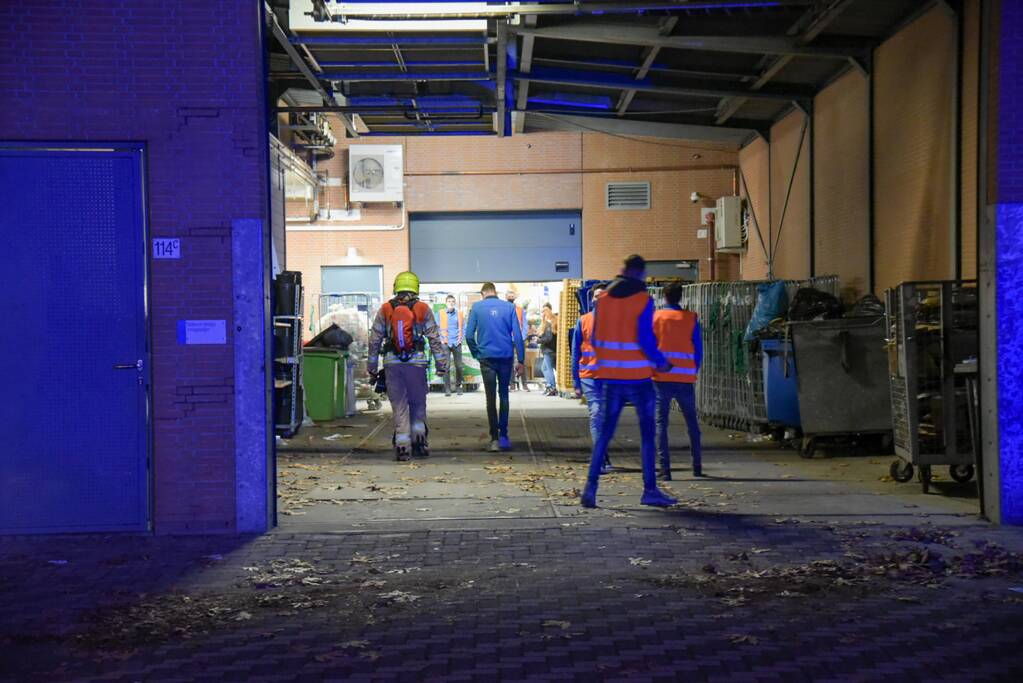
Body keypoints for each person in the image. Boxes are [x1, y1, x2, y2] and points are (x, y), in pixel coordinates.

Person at [580, 255, 677, 509]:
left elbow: (597, 339)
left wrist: (606, 365)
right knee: (647, 434)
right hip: (638, 378)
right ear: (638, 273)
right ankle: (650, 490)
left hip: (610, 378)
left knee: (603, 435)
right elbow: (645, 339)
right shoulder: (643, 300)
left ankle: (590, 489)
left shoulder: (602, 300)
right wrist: (661, 363)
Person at [367, 271, 447, 462]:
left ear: (396, 287)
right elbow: (434, 339)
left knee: (400, 407)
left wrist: (371, 366)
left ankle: (403, 448)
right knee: (418, 405)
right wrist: (441, 364)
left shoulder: (385, 309)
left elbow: (374, 340)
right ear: (415, 288)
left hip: (392, 364)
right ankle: (420, 444)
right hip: (417, 364)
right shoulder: (423, 309)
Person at [466, 282, 526, 452]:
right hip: (505, 357)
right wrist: (520, 360)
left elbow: (469, 335)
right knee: (504, 395)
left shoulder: (477, 308)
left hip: (486, 358)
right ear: (495, 292)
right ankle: (504, 436)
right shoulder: (508, 307)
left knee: (490, 398)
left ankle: (494, 439)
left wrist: (477, 353)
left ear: (483, 293)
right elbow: (518, 335)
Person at [653, 283, 703, 478]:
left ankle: (665, 469)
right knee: (692, 423)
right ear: (681, 296)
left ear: (664, 296)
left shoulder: (655, 318)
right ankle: (697, 466)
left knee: (660, 424)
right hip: (685, 379)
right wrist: (692, 369)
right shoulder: (691, 318)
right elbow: (698, 350)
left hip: (661, 378)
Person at [572, 283, 613, 474]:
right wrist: (575, 381)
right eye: (596, 295)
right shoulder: (584, 321)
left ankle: (604, 455)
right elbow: (575, 352)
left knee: (603, 418)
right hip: (588, 375)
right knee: (596, 414)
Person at [439, 294, 465, 397]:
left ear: (455, 303)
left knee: (459, 366)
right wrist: (441, 339)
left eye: (452, 301)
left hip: (456, 342)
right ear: (446, 303)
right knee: (447, 367)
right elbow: (436, 327)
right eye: (449, 301)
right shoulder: (441, 313)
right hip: (445, 342)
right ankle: (447, 388)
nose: (451, 303)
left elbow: (463, 327)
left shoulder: (459, 314)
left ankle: (458, 386)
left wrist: (460, 339)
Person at [505, 290, 529, 392]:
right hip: (508, 339)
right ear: (506, 297)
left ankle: (524, 384)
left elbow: (525, 324)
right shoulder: (504, 309)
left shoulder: (520, 309)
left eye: (512, 295)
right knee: (509, 362)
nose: (511, 296)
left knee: (522, 361)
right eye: (509, 295)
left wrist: (522, 336)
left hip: (519, 339)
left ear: (515, 296)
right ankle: (512, 384)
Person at [538, 303, 558, 396]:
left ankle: (552, 387)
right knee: (544, 368)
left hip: (549, 350)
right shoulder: (549, 321)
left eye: (545, 310)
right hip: (550, 349)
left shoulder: (550, 322)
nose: (544, 312)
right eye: (542, 311)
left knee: (548, 368)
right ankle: (550, 386)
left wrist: (539, 340)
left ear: (550, 310)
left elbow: (548, 338)